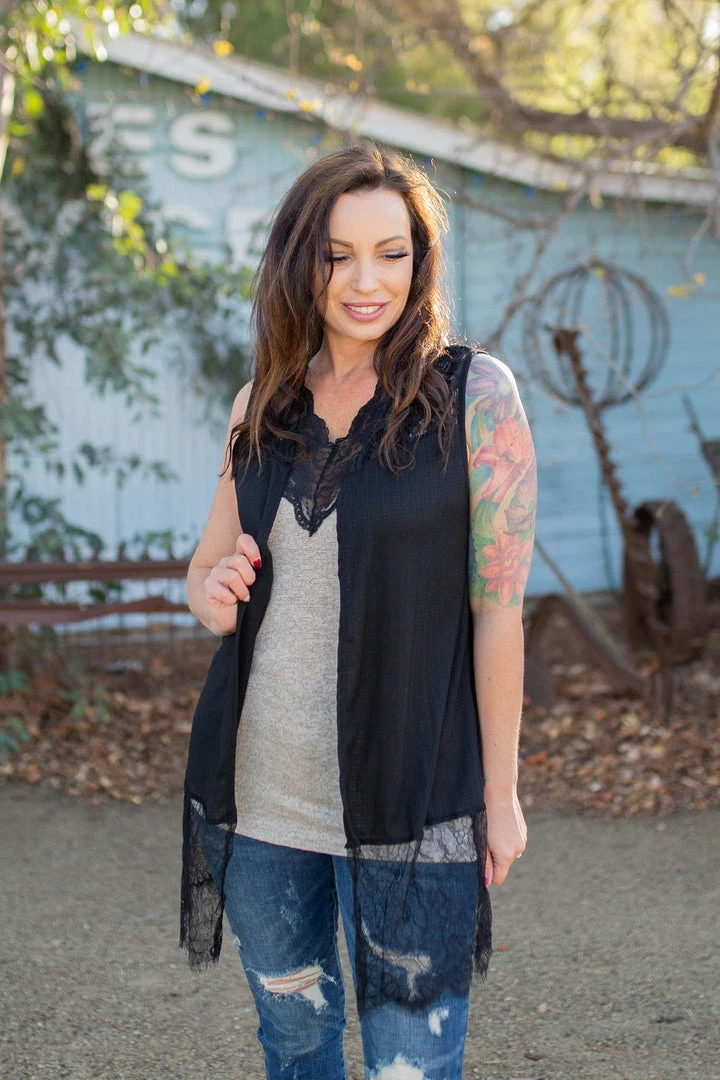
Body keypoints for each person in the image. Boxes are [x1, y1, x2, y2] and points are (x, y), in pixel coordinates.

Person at [180, 143, 536, 1080]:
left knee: (410, 1064)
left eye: (392, 253)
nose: (366, 281)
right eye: (337, 256)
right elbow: (207, 569)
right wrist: (212, 594)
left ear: (422, 261)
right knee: (295, 1044)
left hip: (415, 800)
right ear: (300, 262)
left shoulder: (475, 397)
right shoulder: (262, 403)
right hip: (262, 798)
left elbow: (499, 611)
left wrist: (500, 794)